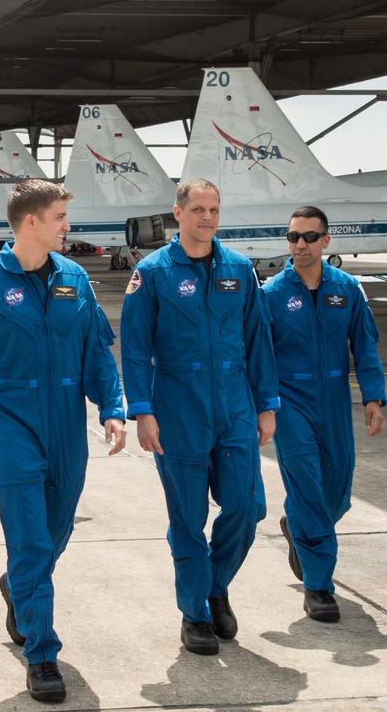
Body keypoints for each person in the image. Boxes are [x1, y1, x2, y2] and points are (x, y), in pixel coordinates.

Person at [0, 179, 126, 703]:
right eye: (61, 217)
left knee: (55, 533)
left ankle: (17, 586)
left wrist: (111, 409)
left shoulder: (75, 280)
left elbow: (96, 351)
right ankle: (41, 653)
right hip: (10, 421)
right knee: (29, 538)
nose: (68, 226)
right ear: (31, 222)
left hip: (67, 422)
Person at [119, 178, 280, 657]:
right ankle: (195, 614)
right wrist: (142, 412)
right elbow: (133, 348)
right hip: (178, 407)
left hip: (233, 404)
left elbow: (258, 340)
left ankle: (213, 585)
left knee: (247, 507)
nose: (207, 218)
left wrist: (266, 405)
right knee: (188, 518)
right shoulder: (153, 273)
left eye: (214, 209)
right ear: (178, 213)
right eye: (198, 210)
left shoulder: (239, 269)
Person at [263, 206, 386, 623]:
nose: (300, 244)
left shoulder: (348, 289)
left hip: (334, 397)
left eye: (310, 237)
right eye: (293, 236)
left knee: (337, 493)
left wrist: (374, 396)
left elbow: (365, 345)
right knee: (308, 487)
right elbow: (258, 354)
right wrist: (263, 404)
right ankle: (319, 587)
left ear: (326, 241)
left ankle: (297, 525)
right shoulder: (271, 294)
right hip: (289, 399)